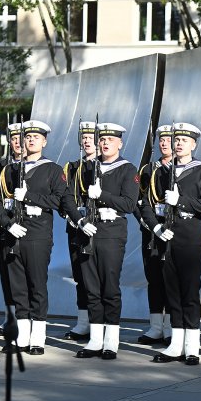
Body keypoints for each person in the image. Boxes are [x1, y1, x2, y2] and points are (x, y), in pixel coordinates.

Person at [140, 122, 201, 365]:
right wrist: (155, 226)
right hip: (166, 235)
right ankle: (176, 343)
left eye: (184, 140)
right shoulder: (160, 171)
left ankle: (192, 346)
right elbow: (146, 203)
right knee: (171, 291)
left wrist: (181, 201)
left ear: (193, 144)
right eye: (176, 140)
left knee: (189, 291)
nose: (179, 143)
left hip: (190, 237)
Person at [0, 120, 66, 355]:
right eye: (27, 137)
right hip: (13, 233)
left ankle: (37, 338)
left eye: (35, 137)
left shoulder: (52, 169)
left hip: (38, 234)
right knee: (17, 286)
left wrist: (29, 196)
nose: (30, 140)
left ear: (44, 142)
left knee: (36, 285)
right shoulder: (8, 169)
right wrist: (7, 223)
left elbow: (58, 200)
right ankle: (21, 337)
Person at [67, 122, 139, 359]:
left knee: (109, 287)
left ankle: (111, 341)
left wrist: (104, 196)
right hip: (87, 230)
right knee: (91, 287)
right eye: (102, 139)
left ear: (120, 143)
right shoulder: (87, 169)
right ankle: (95, 340)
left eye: (111, 140)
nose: (105, 143)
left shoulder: (127, 169)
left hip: (111, 232)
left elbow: (129, 204)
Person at [135, 125, 174, 345]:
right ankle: (156, 326)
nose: (164, 143)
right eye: (161, 139)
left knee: (170, 278)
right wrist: (143, 220)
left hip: (172, 231)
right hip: (151, 231)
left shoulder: (182, 169)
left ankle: (170, 326)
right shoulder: (148, 169)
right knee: (154, 278)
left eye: (168, 139)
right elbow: (137, 200)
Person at [61, 120, 98, 341]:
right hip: (75, 226)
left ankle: (97, 322)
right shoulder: (72, 167)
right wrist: (69, 215)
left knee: (95, 276)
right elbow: (63, 196)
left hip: (95, 227)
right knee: (79, 276)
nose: (86, 141)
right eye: (83, 137)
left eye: (90, 137)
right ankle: (83, 322)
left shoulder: (102, 167)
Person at [0, 121, 23, 338]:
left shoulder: (35, 166)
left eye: (22, 137)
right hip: (5, 226)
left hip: (29, 229)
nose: (18, 142)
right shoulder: (0, 168)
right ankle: (9, 319)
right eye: (14, 138)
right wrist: (5, 222)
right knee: (7, 277)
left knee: (25, 278)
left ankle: (26, 320)